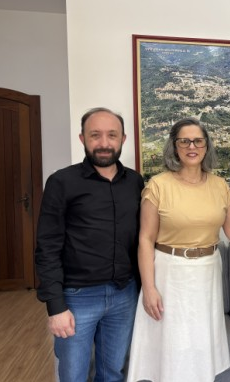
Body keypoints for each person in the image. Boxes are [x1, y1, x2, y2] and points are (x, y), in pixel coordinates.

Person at [126, 118, 230, 382]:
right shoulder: (158, 185)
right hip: (169, 274)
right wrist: (149, 288)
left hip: (207, 272)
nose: (192, 147)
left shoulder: (219, 186)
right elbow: (145, 239)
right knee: (173, 347)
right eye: (185, 141)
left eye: (198, 141)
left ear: (206, 146)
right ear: (174, 146)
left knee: (199, 346)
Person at [35, 107, 144, 382]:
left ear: (123, 139)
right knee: (73, 376)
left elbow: (142, 239)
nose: (104, 143)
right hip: (77, 297)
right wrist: (55, 306)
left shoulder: (135, 182)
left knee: (113, 374)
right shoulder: (62, 182)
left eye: (112, 135)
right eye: (95, 135)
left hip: (124, 294)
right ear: (82, 138)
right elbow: (47, 246)